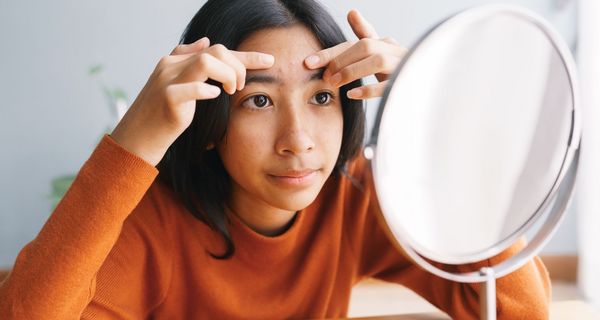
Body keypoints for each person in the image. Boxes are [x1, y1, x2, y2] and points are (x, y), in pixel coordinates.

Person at [0, 0, 550, 319]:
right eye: (258, 100)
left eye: (321, 97)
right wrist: (134, 142)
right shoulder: (153, 226)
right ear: (211, 123)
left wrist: (436, 120)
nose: (298, 140)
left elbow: (520, 312)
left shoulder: (356, 196)